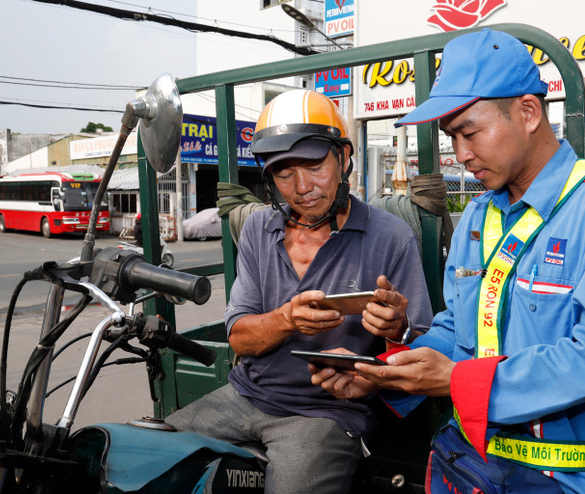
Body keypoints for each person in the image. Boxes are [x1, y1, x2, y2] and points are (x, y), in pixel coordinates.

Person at [311, 29, 585, 494]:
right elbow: (458, 331)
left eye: (469, 132)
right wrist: (384, 373)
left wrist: (458, 382)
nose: (460, 155)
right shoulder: (479, 215)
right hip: (465, 465)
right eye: (451, 137)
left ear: (527, 112)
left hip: (564, 480)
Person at [166, 89, 433, 494]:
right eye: (284, 173)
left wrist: (397, 329)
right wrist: (287, 318)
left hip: (328, 413)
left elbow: (423, 346)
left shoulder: (391, 237)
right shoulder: (258, 229)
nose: (302, 186)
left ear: (343, 160)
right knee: (158, 460)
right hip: (245, 394)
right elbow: (240, 336)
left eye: (314, 166)